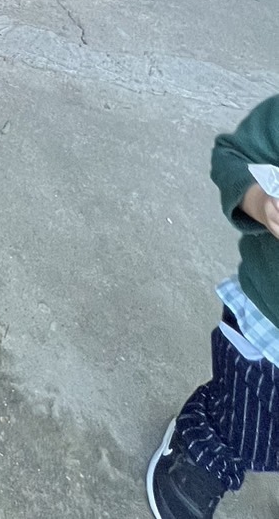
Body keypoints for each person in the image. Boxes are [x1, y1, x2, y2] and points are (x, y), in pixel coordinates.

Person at [148, 96, 279, 518]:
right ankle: (201, 451)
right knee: (246, 423)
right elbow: (234, 157)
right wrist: (261, 202)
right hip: (268, 326)